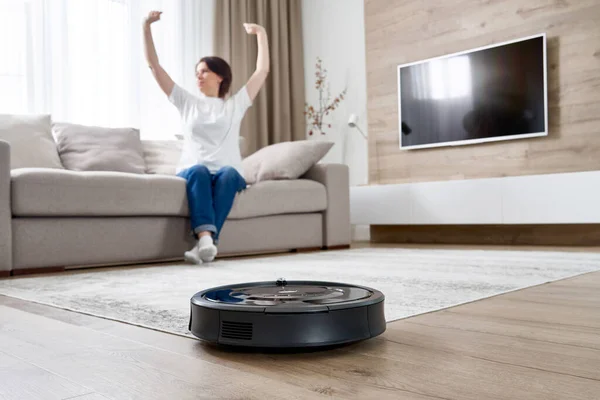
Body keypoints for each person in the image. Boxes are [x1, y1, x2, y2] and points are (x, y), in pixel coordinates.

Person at [143, 10, 269, 264]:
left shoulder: (235, 105)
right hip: (194, 170)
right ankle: (207, 240)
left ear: (220, 76)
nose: (198, 76)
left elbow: (262, 71)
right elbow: (154, 68)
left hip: (226, 171)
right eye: (197, 72)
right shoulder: (187, 102)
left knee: (231, 174)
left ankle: (203, 242)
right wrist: (146, 26)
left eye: (204, 71)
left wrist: (262, 34)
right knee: (199, 170)